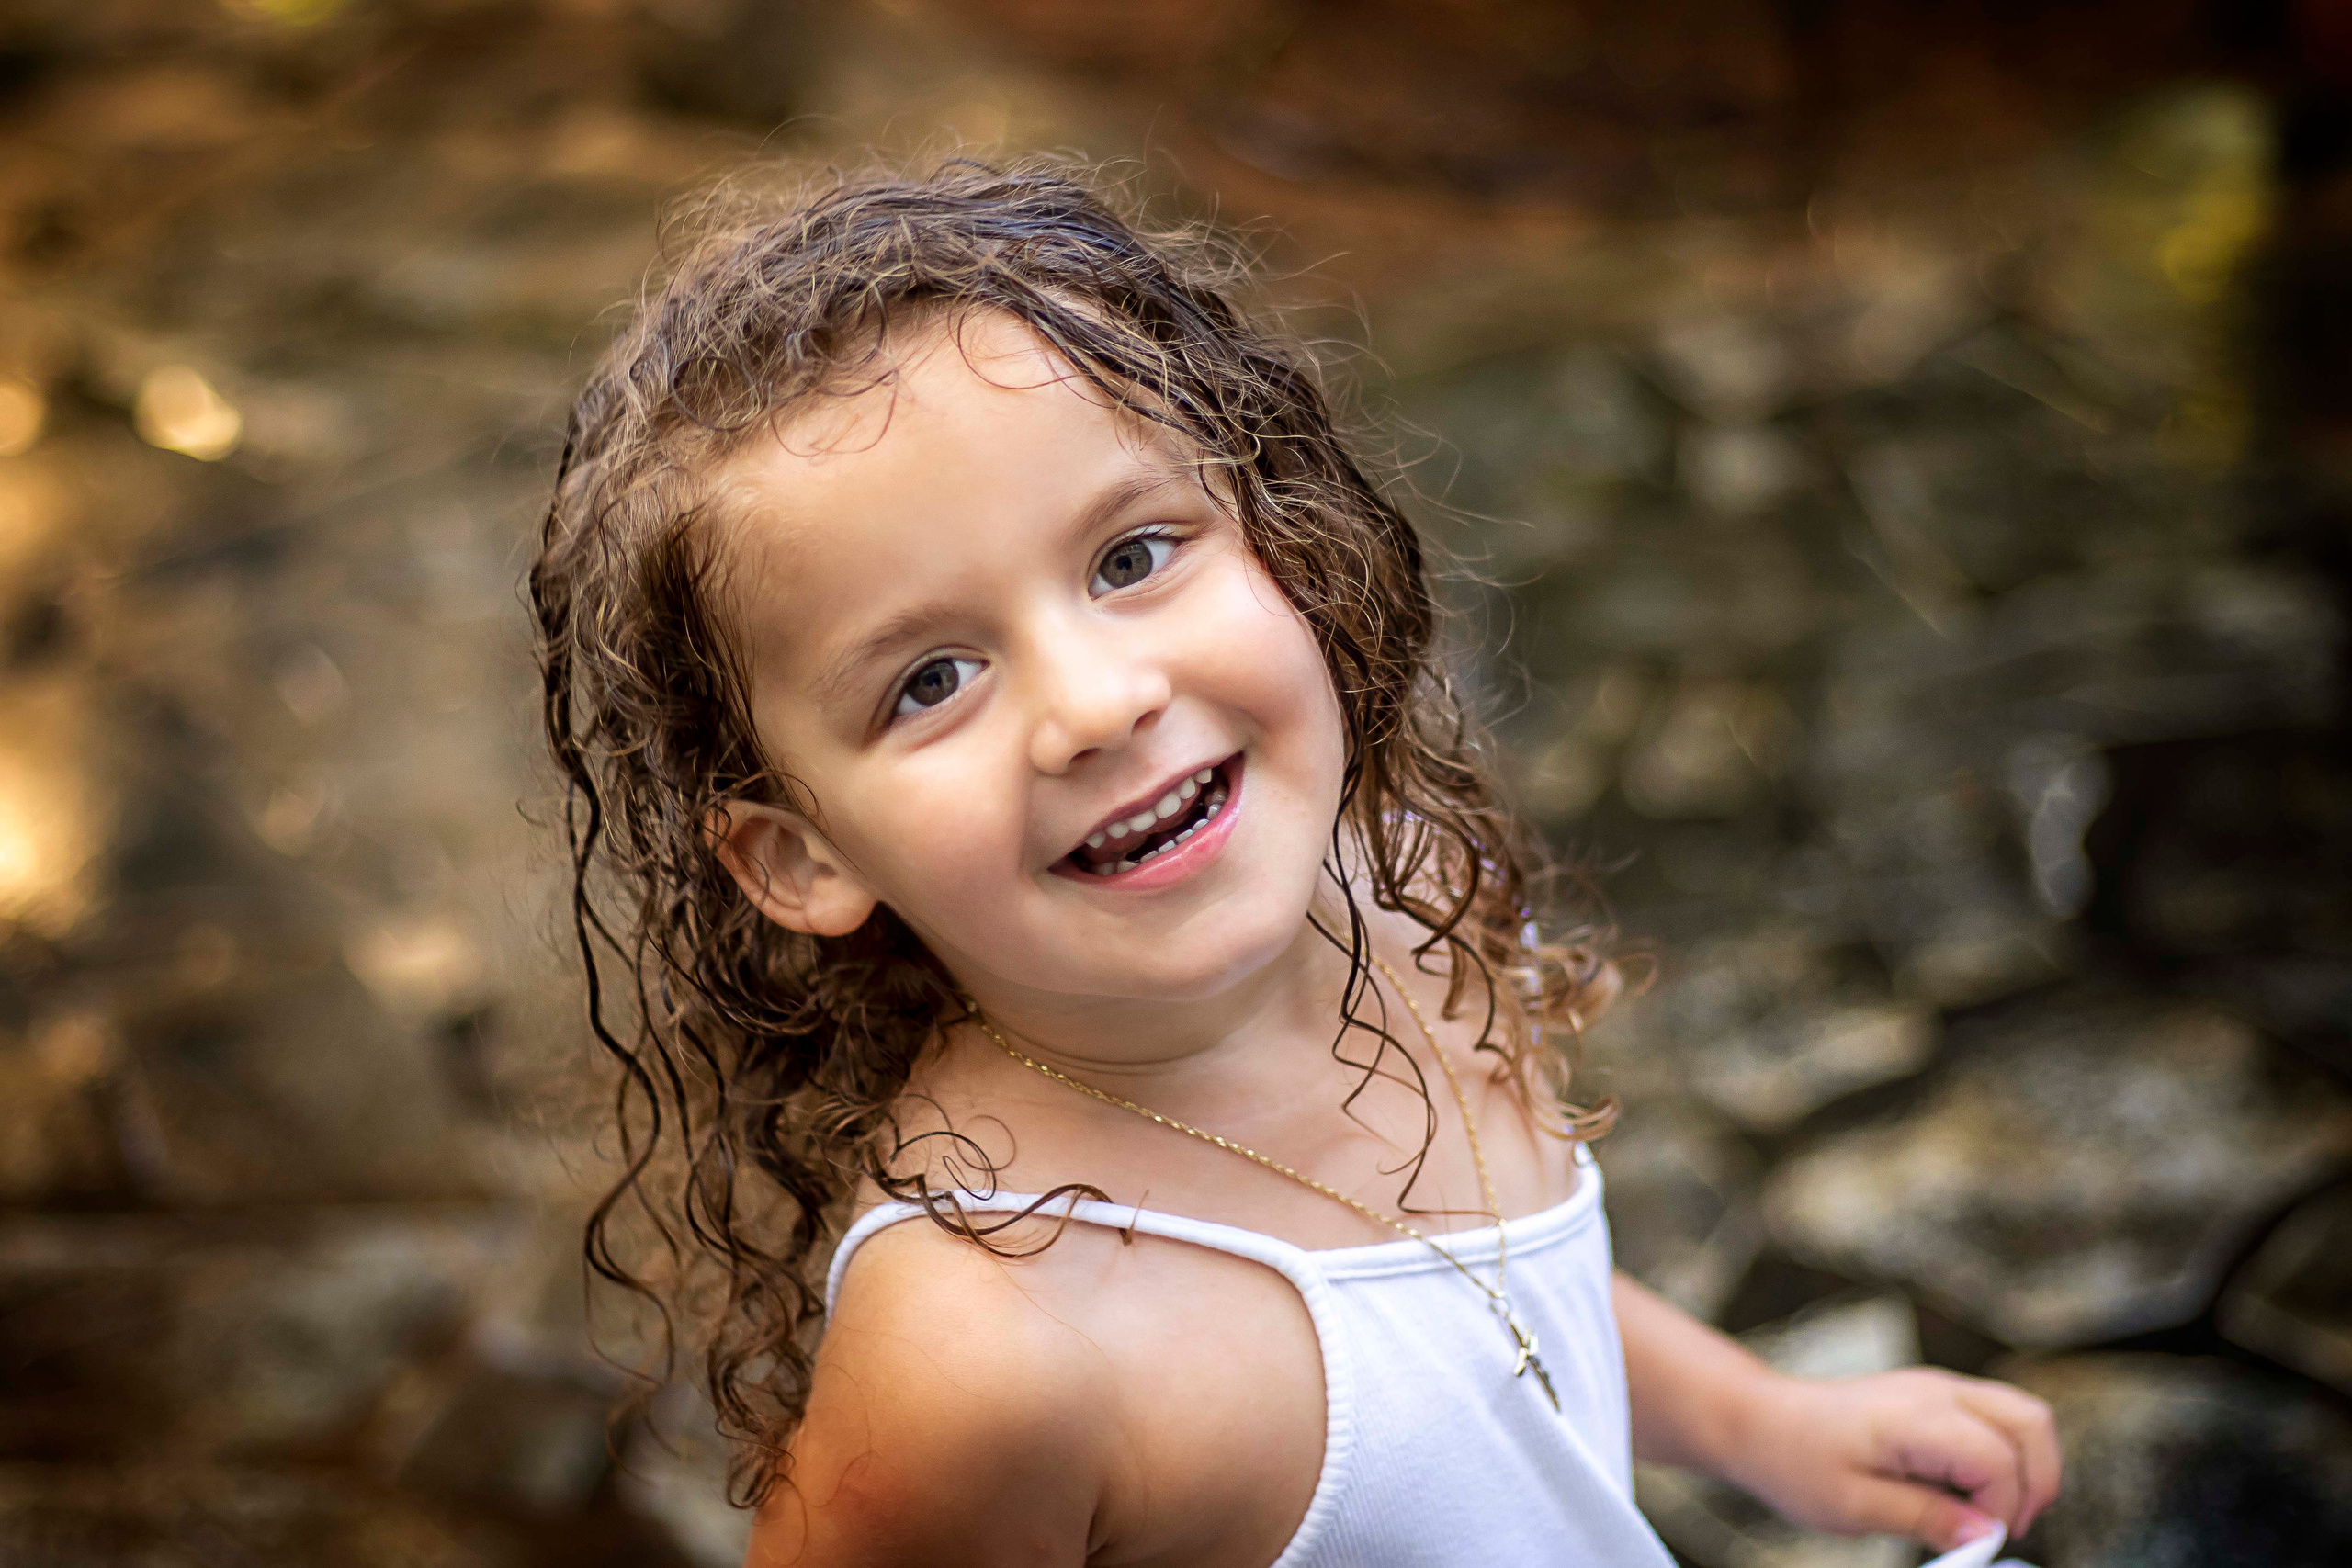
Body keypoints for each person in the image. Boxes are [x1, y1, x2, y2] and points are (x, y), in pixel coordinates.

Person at [530, 157, 2060, 1567]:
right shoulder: (989, 1361)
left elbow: (1486, 1300)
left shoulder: (1402, 890)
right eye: (930, 679)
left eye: (1132, 556)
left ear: (1284, 535)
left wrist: (1762, 1428)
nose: (1097, 702)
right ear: (798, 856)